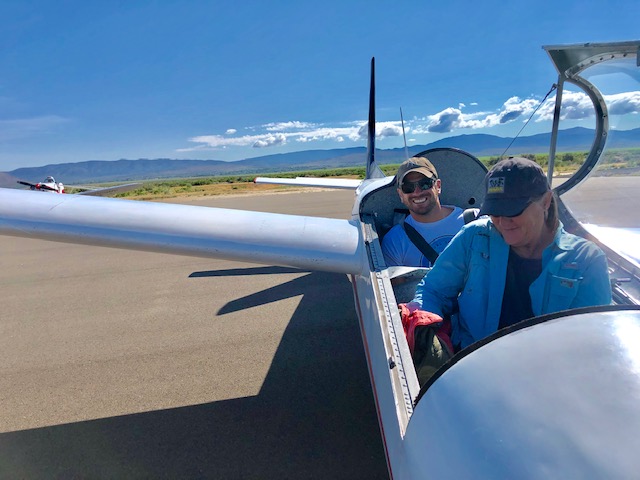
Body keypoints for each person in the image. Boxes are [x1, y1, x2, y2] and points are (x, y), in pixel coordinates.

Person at [407, 156, 612, 353]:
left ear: (546, 201)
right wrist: (423, 323)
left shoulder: (586, 260)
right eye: (495, 212)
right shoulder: (475, 236)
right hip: (469, 363)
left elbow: (591, 341)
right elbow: (434, 289)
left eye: (514, 211)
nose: (503, 223)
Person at [382, 156, 467, 268]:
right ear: (400, 195)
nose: (417, 192)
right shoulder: (395, 241)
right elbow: (397, 284)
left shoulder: (472, 220)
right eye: (408, 187)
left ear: (438, 186)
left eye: (425, 184)